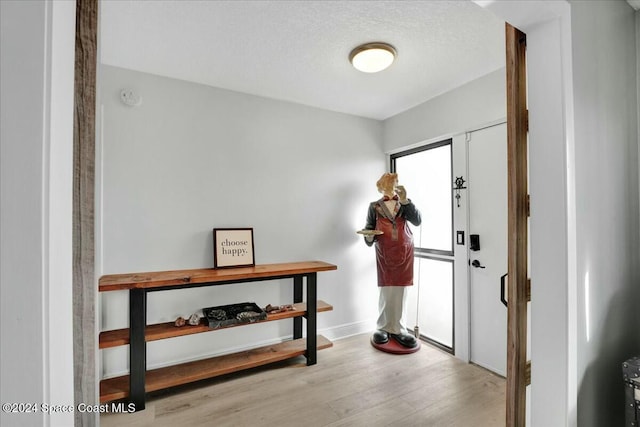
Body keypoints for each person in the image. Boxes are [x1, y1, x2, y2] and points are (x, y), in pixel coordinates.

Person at [362, 172, 421, 348]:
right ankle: (383, 327)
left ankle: (399, 328)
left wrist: (405, 201)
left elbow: (417, 221)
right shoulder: (374, 206)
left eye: (394, 182)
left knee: (401, 288)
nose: (392, 185)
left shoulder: (404, 203)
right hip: (385, 251)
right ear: (381, 187)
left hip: (404, 250)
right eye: (389, 183)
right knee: (386, 288)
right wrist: (370, 237)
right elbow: (368, 228)